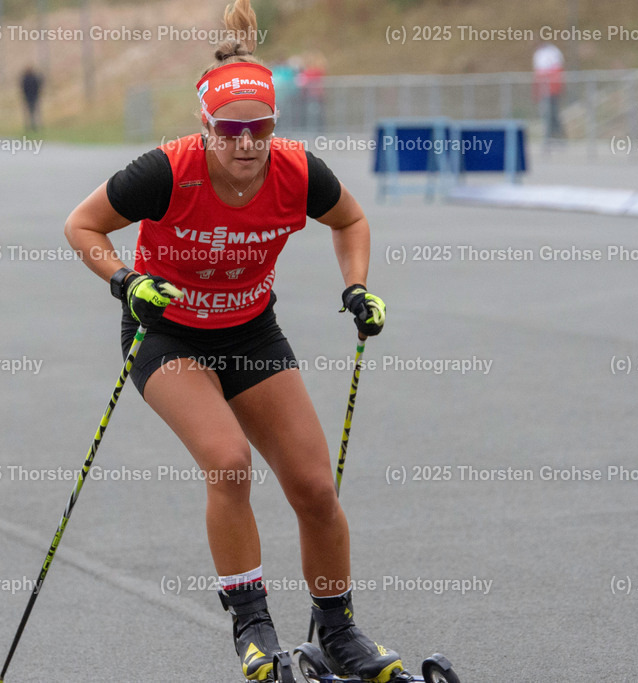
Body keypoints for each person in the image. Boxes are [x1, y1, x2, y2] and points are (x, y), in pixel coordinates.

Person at [64, 1, 400, 681]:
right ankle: (253, 625)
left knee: (312, 485)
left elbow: (352, 218)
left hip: (250, 329)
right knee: (228, 460)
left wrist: (356, 286)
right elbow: (82, 225)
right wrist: (125, 281)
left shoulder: (298, 172)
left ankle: (338, 630)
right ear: (205, 126)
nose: (246, 144)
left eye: (261, 129)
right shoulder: (166, 170)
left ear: (276, 126)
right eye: (230, 130)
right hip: (167, 334)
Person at [533, 41, 565, 141]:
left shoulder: (552, 53)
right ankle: (549, 137)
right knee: (546, 114)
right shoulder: (539, 54)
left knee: (553, 114)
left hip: (552, 91)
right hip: (545, 91)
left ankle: (557, 136)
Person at [20, 66, 43, 132]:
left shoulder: (26, 78)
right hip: (33, 96)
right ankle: (33, 126)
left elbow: (23, 88)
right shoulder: (33, 78)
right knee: (34, 112)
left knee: (31, 112)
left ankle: (31, 126)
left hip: (30, 96)